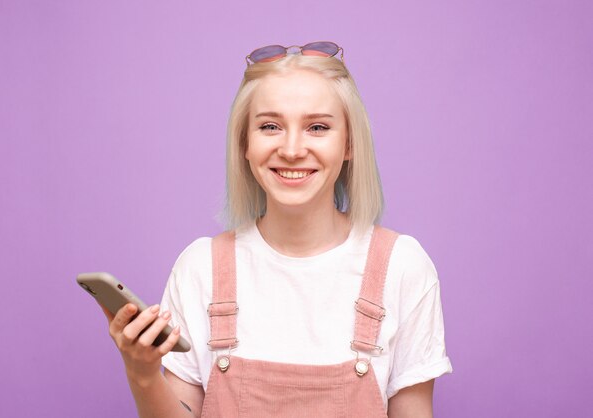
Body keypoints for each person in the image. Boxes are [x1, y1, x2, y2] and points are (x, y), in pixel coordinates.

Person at [101, 41, 453, 418]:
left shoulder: (402, 267)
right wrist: (142, 374)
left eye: (317, 127)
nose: (291, 148)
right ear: (244, 144)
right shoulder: (199, 268)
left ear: (349, 143)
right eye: (270, 126)